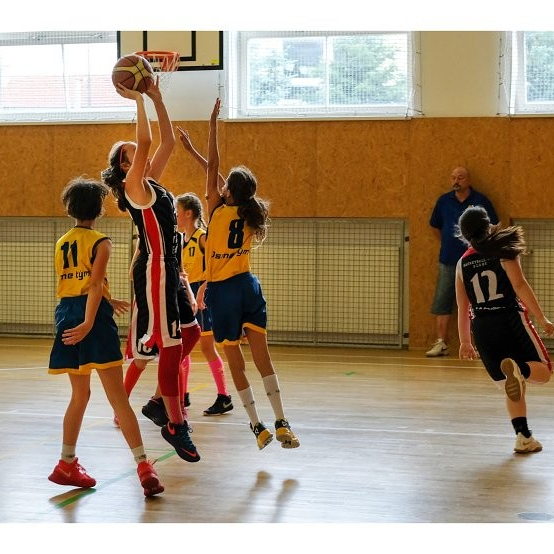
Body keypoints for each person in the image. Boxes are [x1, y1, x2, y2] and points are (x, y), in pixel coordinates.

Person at [100, 79, 200, 463]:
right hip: (155, 269)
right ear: (125, 165)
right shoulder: (133, 187)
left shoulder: (150, 181)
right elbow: (145, 140)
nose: (136, 145)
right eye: (130, 150)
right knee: (171, 348)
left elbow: (167, 142)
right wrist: (137, 99)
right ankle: (175, 423)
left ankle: (160, 402)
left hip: (170, 267)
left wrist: (157, 98)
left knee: (188, 335)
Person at [47, 177, 164, 497]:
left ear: (70, 208)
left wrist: (106, 303)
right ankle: (143, 465)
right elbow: (94, 285)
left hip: (66, 313)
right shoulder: (102, 242)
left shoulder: (62, 242)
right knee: (118, 399)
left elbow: (77, 284)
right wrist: (90, 321)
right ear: (98, 210)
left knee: (79, 395)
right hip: (91, 318)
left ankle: (66, 463)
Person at [197, 97, 299, 450]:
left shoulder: (215, 209)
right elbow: (219, 172)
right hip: (247, 286)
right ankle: (282, 420)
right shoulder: (251, 213)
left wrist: (213, 123)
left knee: (236, 363)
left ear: (226, 190)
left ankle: (257, 426)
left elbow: (213, 164)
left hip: (223, 292)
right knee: (262, 357)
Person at [455, 205, 553, 453]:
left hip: (482, 328)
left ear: (464, 234)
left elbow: (462, 306)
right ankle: (520, 370)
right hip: (509, 319)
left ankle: (524, 437)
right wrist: (542, 318)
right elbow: (520, 286)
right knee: (543, 372)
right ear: (488, 226)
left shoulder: (461, 264)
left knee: (513, 386)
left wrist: (465, 341)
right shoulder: (503, 251)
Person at [427, 166, 499, 357]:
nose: (456, 181)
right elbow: (435, 226)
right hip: (448, 260)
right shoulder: (444, 201)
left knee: (479, 302)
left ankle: (481, 344)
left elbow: (494, 226)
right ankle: (441, 343)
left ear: (468, 180)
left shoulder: (481, 201)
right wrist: (447, 242)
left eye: (460, 177)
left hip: (475, 261)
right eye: (453, 178)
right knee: (443, 301)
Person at [176, 192, 234, 416]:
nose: (175, 215)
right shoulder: (180, 240)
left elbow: (218, 265)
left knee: (207, 347)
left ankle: (224, 396)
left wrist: (204, 288)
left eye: (178, 211)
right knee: (184, 345)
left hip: (202, 295)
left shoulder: (202, 237)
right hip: (186, 295)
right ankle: (183, 394)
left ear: (188, 213)